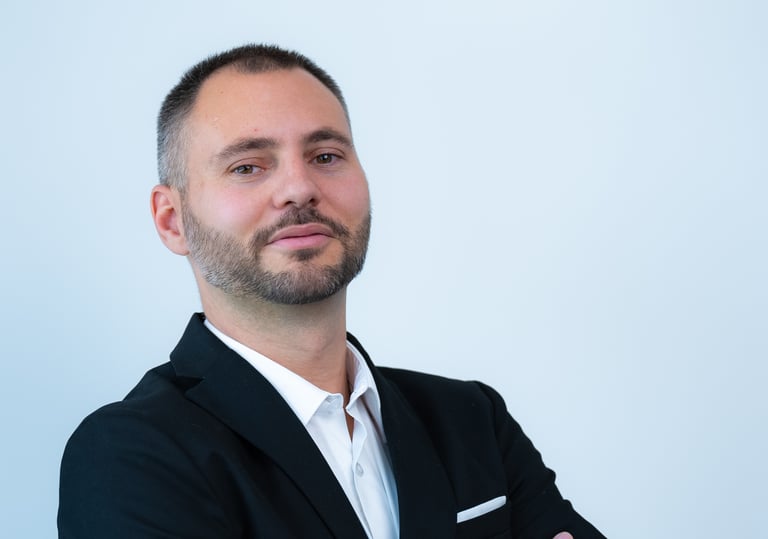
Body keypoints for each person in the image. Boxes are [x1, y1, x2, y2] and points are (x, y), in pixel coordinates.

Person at [58, 44, 605, 539]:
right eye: (248, 166)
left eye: (325, 156)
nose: (299, 188)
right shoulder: (130, 455)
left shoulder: (471, 420)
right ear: (172, 219)